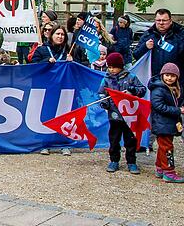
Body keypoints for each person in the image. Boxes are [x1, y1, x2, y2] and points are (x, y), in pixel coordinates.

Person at [31, 25, 88, 155]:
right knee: (47, 115)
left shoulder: (69, 50)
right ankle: (44, 143)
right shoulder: (42, 49)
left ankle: (64, 143)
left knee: (66, 115)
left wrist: (73, 61)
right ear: (52, 35)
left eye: (62, 35)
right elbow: (32, 66)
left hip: (65, 90)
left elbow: (82, 66)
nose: (60, 37)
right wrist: (46, 61)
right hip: (47, 89)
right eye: (57, 34)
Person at [98, 52, 146, 174]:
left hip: (129, 116)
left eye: (114, 67)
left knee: (130, 140)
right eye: (109, 67)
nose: (111, 69)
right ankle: (114, 160)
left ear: (120, 66)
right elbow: (102, 94)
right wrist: (105, 103)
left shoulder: (131, 77)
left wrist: (133, 90)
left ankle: (131, 162)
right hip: (114, 115)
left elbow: (142, 90)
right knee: (114, 139)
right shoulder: (106, 79)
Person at [149, 63, 184, 183]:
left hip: (168, 123)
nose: (169, 78)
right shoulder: (158, 89)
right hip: (162, 123)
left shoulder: (173, 89)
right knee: (168, 148)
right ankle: (169, 171)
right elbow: (159, 106)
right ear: (162, 75)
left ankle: (160, 167)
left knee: (163, 147)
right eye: (167, 75)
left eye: (172, 76)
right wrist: (178, 110)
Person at [133, 9, 184, 83]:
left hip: (175, 80)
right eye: (158, 20)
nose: (161, 23)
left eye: (164, 20)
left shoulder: (180, 34)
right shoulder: (148, 35)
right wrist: (145, 47)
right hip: (154, 79)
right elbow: (136, 55)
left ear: (170, 21)